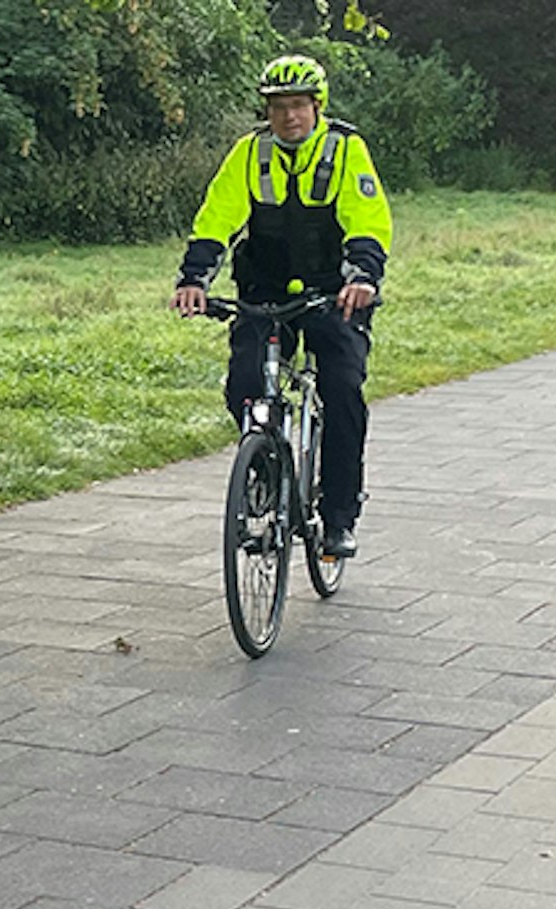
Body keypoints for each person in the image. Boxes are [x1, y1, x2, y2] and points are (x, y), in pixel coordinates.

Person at [170, 54, 392, 559]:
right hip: (264, 291)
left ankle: (338, 515)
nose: (288, 116)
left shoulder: (345, 149)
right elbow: (216, 216)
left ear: (317, 107)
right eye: (277, 107)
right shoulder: (250, 154)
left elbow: (368, 217)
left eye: (297, 106)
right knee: (245, 386)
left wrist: (363, 278)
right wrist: (193, 279)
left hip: (332, 292)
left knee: (342, 389)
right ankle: (265, 474)